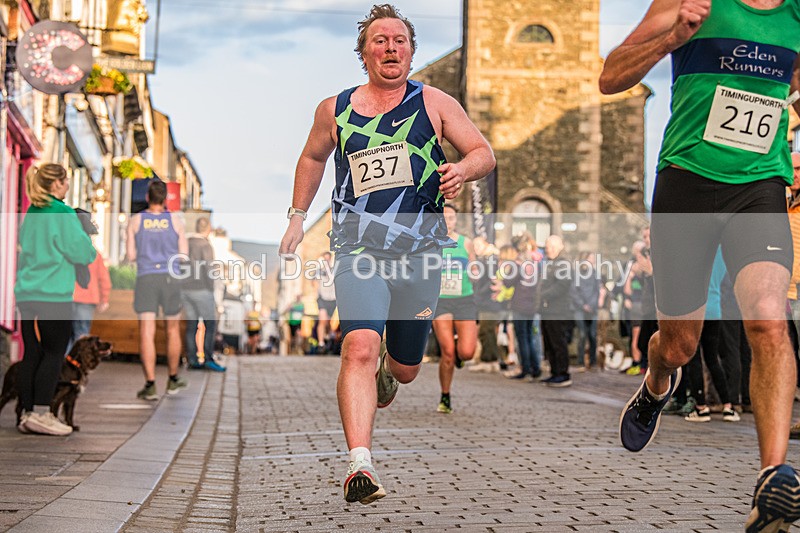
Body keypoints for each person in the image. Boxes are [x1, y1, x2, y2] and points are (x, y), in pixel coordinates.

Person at [278, 3, 494, 505]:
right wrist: (295, 214)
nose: (390, 47)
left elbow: (483, 152)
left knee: (405, 369)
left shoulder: (435, 102)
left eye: (399, 40)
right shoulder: (335, 109)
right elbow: (312, 157)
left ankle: (389, 372)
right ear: (364, 53)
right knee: (358, 348)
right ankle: (360, 463)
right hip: (358, 248)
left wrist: (463, 169)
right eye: (380, 40)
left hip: (421, 253)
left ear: (411, 51)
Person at [601, 1, 800, 530]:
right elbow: (610, 75)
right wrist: (672, 38)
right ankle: (656, 382)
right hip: (687, 182)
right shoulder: (691, 2)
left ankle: (773, 479)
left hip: (760, 185)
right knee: (680, 343)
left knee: (768, 320)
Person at [15, 163, 96, 435]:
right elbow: (83, 253)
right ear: (58, 184)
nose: (68, 185)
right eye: (67, 181)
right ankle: (41, 413)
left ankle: (26, 414)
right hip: (53, 294)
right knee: (53, 353)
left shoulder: (32, 211)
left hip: (27, 293)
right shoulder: (62, 212)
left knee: (31, 354)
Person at [127, 179, 188, 401]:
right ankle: (172, 380)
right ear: (165, 199)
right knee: (172, 329)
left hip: (146, 278)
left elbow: (131, 256)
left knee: (147, 331)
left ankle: (150, 384)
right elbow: (184, 255)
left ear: (147, 198)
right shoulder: (175, 220)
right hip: (170, 278)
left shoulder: (136, 221)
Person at [432, 204, 477, 414]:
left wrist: (476, 272)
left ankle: (461, 356)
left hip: (464, 299)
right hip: (441, 300)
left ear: (456, 220)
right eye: (444, 217)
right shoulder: (431, 243)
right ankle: (445, 395)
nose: (448, 221)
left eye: (451, 218)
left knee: (467, 352)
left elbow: (474, 267)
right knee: (447, 351)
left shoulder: (466, 243)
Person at [182, 216, 225, 372]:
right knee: (210, 324)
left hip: (185, 289)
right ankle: (207, 358)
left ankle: (192, 360)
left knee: (191, 325)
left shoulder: (186, 242)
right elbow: (208, 268)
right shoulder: (205, 245)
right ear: (208, 229)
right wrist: (211, 288)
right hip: (201, 289)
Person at [70, 208, 111, 347]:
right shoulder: (94, 254)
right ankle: (76, 366)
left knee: (66, 337)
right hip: (87, 300)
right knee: (81, 338)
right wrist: (104, 299)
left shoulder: (65, 251)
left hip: (66, 298)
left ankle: (63, 367)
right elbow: (104, 278)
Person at [314, 252, 337, 353]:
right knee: (322, 320)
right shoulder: (318, 271)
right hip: (322, 298)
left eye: (328, 258)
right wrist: (316, 293)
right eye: (325, 259)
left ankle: (328, 336)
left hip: (333, 299)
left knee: (329, 322)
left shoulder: (334, 270)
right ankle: (321, 344)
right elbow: (314, 283)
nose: (326, 260)